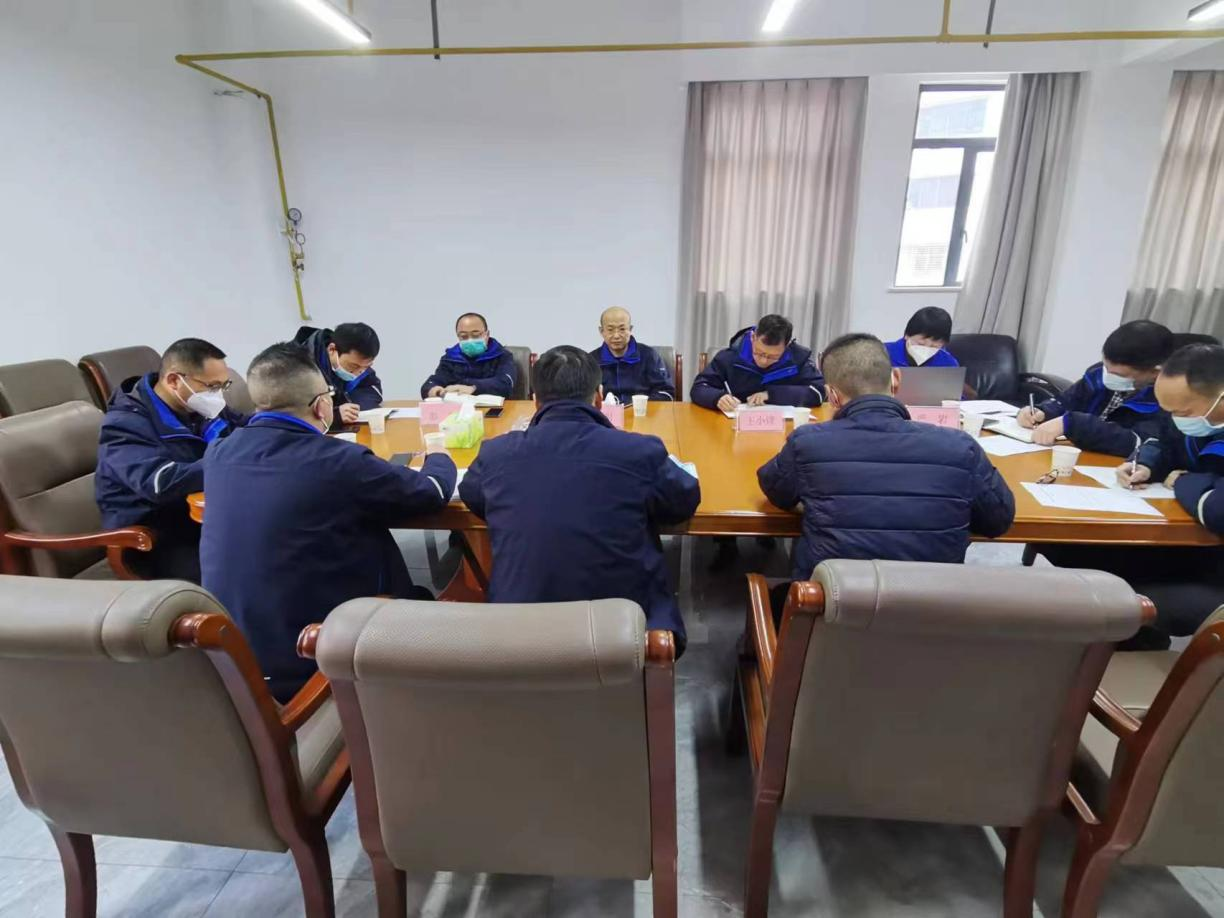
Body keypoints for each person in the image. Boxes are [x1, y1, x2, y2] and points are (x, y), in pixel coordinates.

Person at [200, 343, 457, 701]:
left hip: (239, 652)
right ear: (322, 405)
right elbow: (431, 493)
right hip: (321, 651)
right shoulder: (339, 461)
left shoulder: (219, 452)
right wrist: (439, 454)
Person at [757, 333, 1015, 620]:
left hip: (832, 621)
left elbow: (775, 489)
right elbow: (998, 520)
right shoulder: (960, 446)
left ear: (832, 395)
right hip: (932, 622)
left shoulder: (808, 442)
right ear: (896, 379)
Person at [458, 346, 701, 651]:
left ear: (535, 399)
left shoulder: (497, 453)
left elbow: (473, 495)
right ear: (599, 397)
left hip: (519, 632)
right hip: (624, 633)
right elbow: (683, 500)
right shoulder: (638, 451)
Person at [1031, 344, 1224, 649]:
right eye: (1169, 411)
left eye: (1183, 413)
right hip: (1181, 537)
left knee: (1117, 586)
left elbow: (1216, 509)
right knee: (1071, 547)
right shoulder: (1193, 418)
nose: (1176, 419)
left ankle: (1127, 646)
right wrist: (1145, 464)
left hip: (1211, 565)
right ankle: (1107, 645)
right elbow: (1161, 440)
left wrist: (1183, 480)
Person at [95, 338, 246, 583]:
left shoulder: (197, 407)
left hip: (207, 518)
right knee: (242, 571)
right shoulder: (124, 425)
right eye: (212, 387)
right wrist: (231, 458)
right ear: (174, 380)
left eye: (223, 386)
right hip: (155, 540)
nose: (217, 395)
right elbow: (161, 483)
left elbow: (245, 427)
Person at [1016, 320, 1173, 453]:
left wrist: (1074, 424)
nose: (1108, 376)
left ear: (1154, 372)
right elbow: (1066, 402)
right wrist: (1041, 411)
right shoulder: (1098, 374)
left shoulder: (1170, 400)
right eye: (1106, 367)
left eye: (1118, 374)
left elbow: (1139, 442)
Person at [690, 314, 825, 411]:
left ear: (787, 345)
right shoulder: (730, 357)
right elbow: (699, 387)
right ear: (753, 337)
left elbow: (818, 392)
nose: (763, 360)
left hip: (783, 430)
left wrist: (771, 394)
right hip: (734, 427)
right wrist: (717, 398)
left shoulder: (798, 360)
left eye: (773, 356)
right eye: (758, 352)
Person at [293, 322, 384, 426]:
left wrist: (352, 407)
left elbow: (372, 389)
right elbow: (294, 414)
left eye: (366, 366)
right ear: (331, 349)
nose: (358, 373)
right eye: (353, 366)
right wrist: (334, 415)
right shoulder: (299, 368)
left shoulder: (359, 364)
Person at [421, 312, 517, 399]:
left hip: (495, 409)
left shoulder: (502, 355)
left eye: (476, 335)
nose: (470, 340)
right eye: (464, 336)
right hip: (458, 409)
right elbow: (434, 381)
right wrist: (434, 390)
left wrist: (473, 388)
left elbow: (505, 385)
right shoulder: (451, 358)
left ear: (487, 334)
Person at [590, 306, 675, 402]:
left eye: (622, 329)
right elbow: (584, 398)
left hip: (642, 410)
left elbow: (666, 392)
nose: (616, 335)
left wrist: (641, 405)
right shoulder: (591, 361)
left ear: (630, 329)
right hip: (605, 411)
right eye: (610, 330)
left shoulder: (649, 356)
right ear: (601, 331)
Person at [884, 306, 960, 368]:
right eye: (920, 344)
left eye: (933, 347)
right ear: (907, 335)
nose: (926, 349)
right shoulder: (882, 354)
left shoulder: (948, 364)